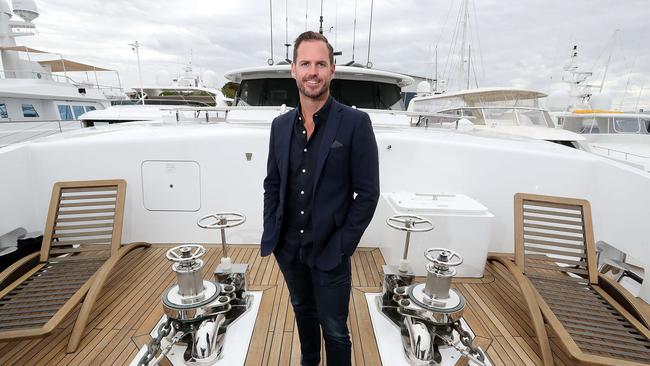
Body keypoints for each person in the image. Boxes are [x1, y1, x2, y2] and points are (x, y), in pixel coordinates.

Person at [261, 31, 379, 366]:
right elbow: (273, 182)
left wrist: (343, 244)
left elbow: (368, 193)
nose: (313, 71)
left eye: (320, 64)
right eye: (305, 63)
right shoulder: (279, 126)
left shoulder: (356, 123)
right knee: (303, 315)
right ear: (293, 70)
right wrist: (273, 228)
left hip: (331, 251)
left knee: (335, 329)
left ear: (332, 70)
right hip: (289, 249)